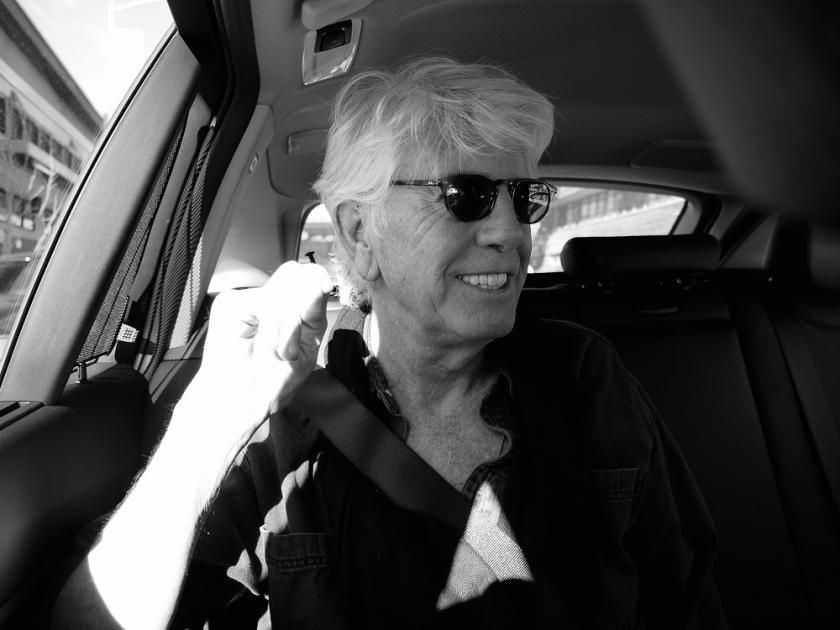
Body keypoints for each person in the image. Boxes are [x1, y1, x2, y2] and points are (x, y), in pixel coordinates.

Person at [51, 57, 726, 629]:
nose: (510, 233)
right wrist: (208, 422)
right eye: (465, 194)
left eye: (522, 198)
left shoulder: (584, 376)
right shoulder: (283, 416)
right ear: (358, 233)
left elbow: (686, 604)